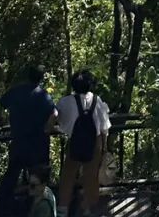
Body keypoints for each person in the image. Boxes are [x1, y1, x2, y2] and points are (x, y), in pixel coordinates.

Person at [47, 70, 111, 217]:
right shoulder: (97, 100)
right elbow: (104, 127)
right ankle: (88, 209)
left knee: (68, 175)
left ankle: (63, 209)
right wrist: (105, 148)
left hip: (75, 142)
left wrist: (48, 129)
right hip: (95, 143)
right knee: (91, 177)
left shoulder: (66, 101)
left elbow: (55, 116)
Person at [0, 67, 56, 217]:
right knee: (37, 177)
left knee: (11, 176)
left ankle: (0, 209)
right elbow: (54, 113)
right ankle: (32, 209)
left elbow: (0, 103)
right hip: (38, 143)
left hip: (19, 141)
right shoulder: (43, 95)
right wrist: (47, 128)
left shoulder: (16, 91)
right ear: (41, 78)